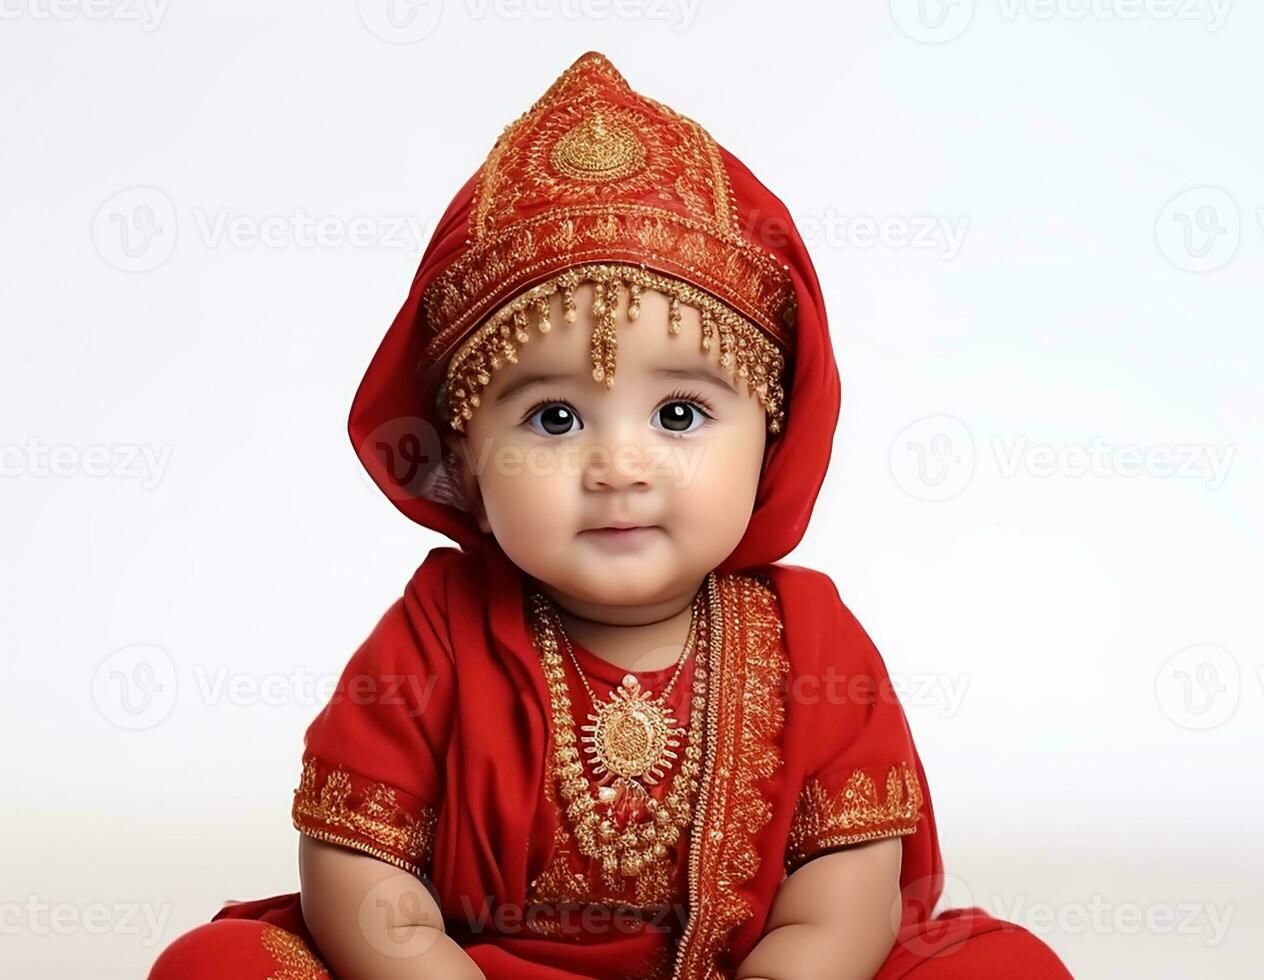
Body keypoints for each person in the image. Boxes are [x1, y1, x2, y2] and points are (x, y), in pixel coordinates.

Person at [148, 50, 1074, 980]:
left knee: (1005, 967)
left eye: (679, 415)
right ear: (466, 460)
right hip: (483, 969)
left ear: (773, 434)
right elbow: (359, 867)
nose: (618, 466)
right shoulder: (435, 631)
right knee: (215, 965)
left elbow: (849, 889)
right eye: (554, 419)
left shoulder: (812, 643)